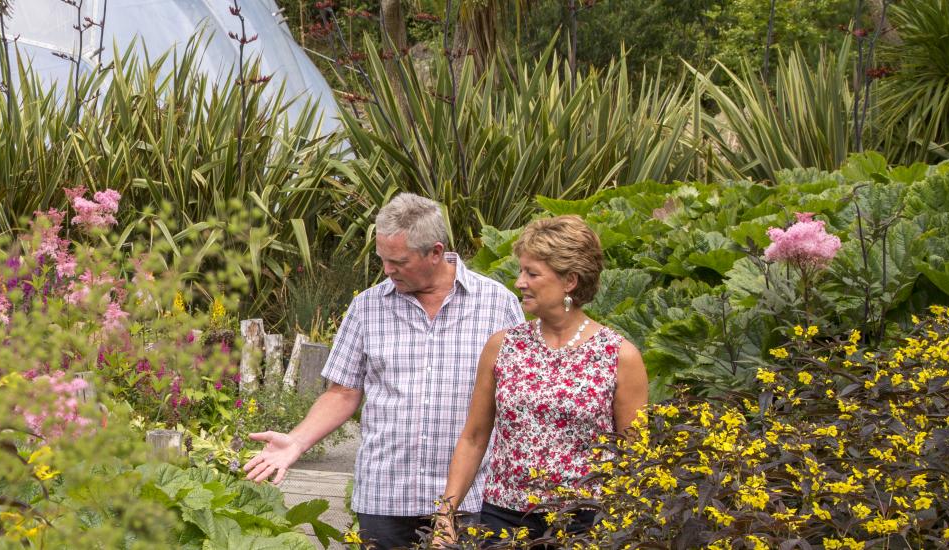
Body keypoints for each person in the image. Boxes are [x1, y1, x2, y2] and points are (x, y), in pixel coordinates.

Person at [243, 193, 524, 549]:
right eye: (382, 259)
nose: (387, 270)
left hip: (470, 501)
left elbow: (517, 397)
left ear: (435, 252)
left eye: (399, 262)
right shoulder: (367, 307)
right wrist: (296, 442)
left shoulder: (498, 303)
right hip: (386, 497)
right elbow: (342, 392)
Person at [431, 215, 648, 547]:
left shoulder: (619, 356)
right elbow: (474, 438)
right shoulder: (502, 347)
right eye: (521, 271)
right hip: (503, 520)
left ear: (570, 281)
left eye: (532, 273)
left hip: (583, 525)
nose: (519, 282)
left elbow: (633, 454)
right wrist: (446, 515)